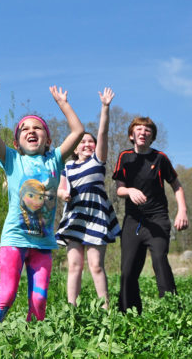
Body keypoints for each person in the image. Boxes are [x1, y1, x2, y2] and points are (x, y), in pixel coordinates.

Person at [0, 75, 84, 338]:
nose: (31, 131)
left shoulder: (55, 160)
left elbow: (78, 132)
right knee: (7, 294)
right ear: (16, 142)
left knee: (38, 301)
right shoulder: (12, 160)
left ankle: (30, 344)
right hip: (14, 239)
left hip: (43, 244)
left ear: (47, 140)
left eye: (37, 128)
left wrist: (64, 104)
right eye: (25, 129)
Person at [113, 116, 188, 314]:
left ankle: (171, 311)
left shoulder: (160, 158)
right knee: (128, 270)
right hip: (133, 221)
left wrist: (182, 210)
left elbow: (176, 186)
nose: (143, 132)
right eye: (139, 129)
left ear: (152, 136)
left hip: (158, 219)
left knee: (159, 261)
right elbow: (119, 189)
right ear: (132, 134)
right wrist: (129, 191)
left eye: (147, 130)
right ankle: (128, 313)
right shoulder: (124, 157)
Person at [56, 87, 121, 307]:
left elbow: (102, 133)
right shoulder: (68, 166)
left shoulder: (97, 161)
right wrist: (63, 194)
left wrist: (105, 107)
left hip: (96, 217)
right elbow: (60, 188)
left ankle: (105, 308)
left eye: (89, 142)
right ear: (75, 148)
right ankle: (71, 307)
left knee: (96, 265)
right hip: (75, 217)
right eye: (82, 142)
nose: (86, 144)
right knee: (74, 266)